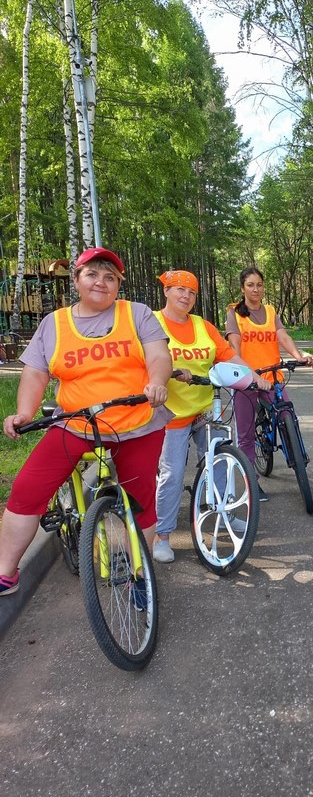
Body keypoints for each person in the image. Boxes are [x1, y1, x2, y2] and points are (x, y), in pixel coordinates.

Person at [0, 247, 172, 600]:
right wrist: (24, 413)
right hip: (76, 423)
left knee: (139, 498)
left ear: (118, 285)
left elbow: (158, 354)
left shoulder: (136, 313)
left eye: (110, 277)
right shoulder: (54, 323)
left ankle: (139, 573)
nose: (101, 282)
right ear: (76, 280)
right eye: (92, 274)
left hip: (136, 421)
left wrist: (157, 382)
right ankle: (6, 572)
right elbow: (35, 373)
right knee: (27, 490)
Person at [153, 270, 270, 564]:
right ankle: (162, 535)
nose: (186, 296)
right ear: (166, 291)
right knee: (173, 474)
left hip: (206, 407)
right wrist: (169, 372)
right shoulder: (153, 323)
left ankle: (225, 512)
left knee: (220, 463)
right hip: (171, 413)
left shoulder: (202, 326)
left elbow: (229, 356)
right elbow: (145, 360)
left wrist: (253, 376)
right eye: (179, 289)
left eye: (191, 292)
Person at [225, 267, 312, 500]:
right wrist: (247, 372)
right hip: (246, 379)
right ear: (242, 288)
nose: (255, 289)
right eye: (250, 285)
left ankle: (298, 458)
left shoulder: (271, 311)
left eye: (259, 285)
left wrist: (298, 356)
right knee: (245, 433)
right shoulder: (235, 314)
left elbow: (282, 336)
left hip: (272, 377)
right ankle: (251, 482)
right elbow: (234, 346)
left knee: (287, 414)